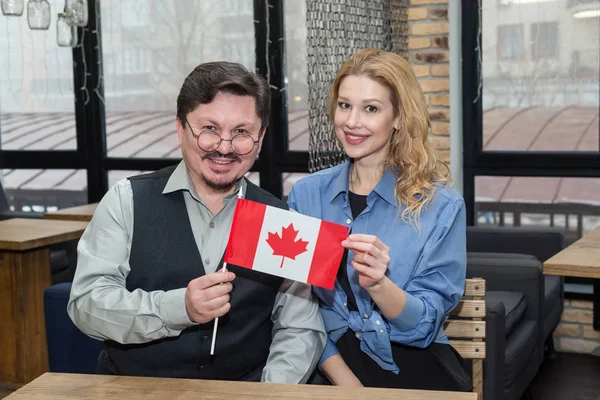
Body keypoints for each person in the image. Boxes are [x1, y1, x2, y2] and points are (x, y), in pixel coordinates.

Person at [68, 61, 326, 383]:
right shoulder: (127, 200)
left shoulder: (281, 222)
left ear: (260, 139)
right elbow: (87, 305)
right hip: (135, 389)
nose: (224, 147)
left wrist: (268, 393)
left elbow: (299, 328)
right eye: (209, 130)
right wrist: (179, 308)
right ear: (180, 128)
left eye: (242, 133)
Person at [287, 48, 471, 391]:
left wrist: (379, 285)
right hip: (331, 366)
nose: (352, 122)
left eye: (370, 108)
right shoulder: (307, 196)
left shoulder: (441, 205)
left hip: (416, 364)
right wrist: (348, 383)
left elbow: (425, 326)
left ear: (398, 116)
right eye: (345, 105)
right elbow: (301, 309)